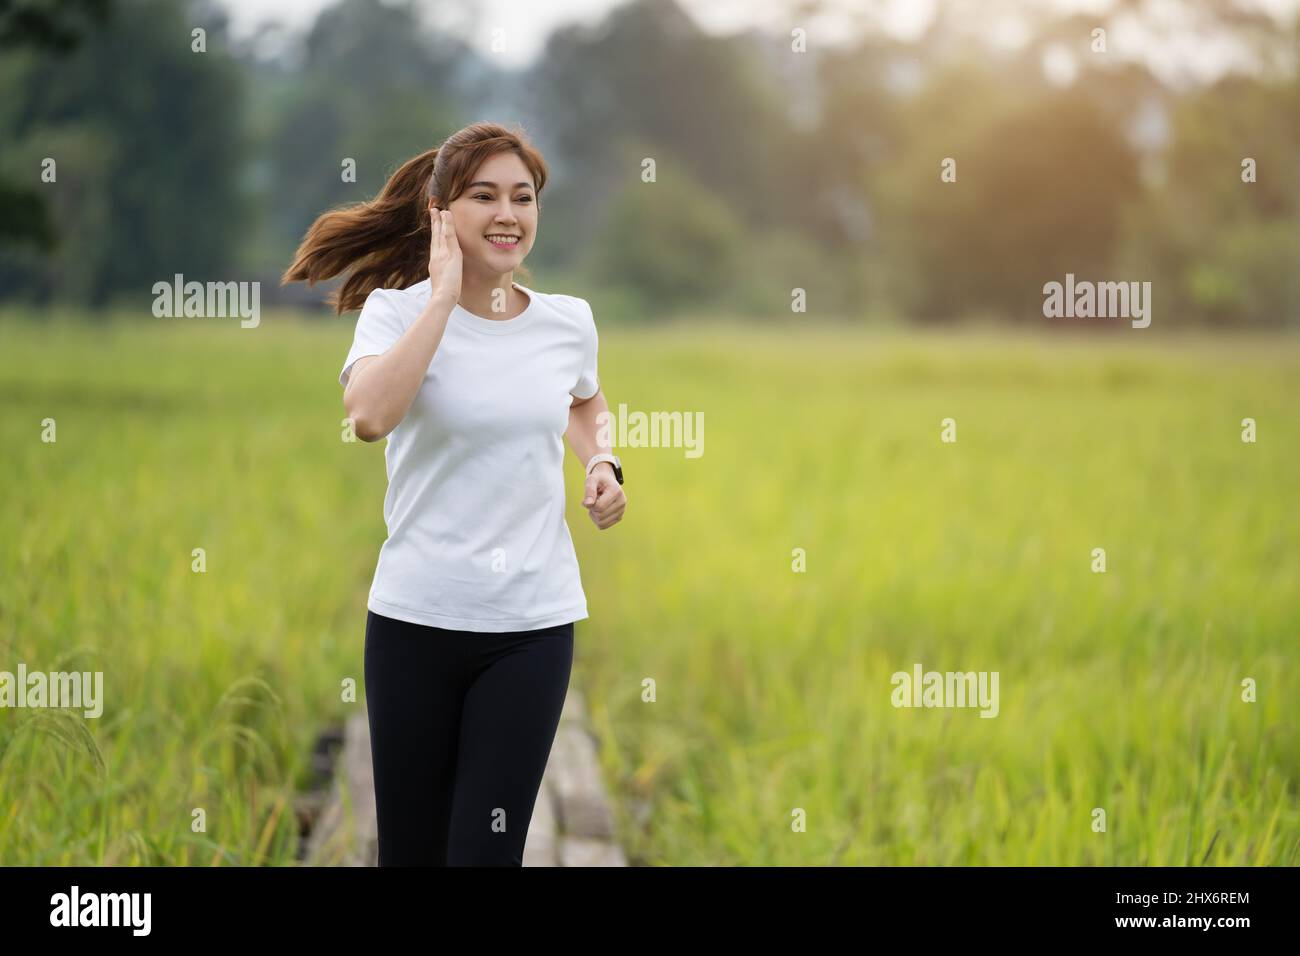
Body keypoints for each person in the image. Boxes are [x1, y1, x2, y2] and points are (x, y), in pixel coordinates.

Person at [281, 121, 627, 865]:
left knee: (484, 853)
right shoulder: (396, 315)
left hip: (531, 629)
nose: (508, 213)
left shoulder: (568, 322)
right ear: (441, 211)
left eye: (523, 197)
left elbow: (582, 403)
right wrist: (439, 301)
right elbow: (370, 416)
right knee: (410, 851)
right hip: (415, 624)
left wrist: (604, 463)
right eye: (484, 196)